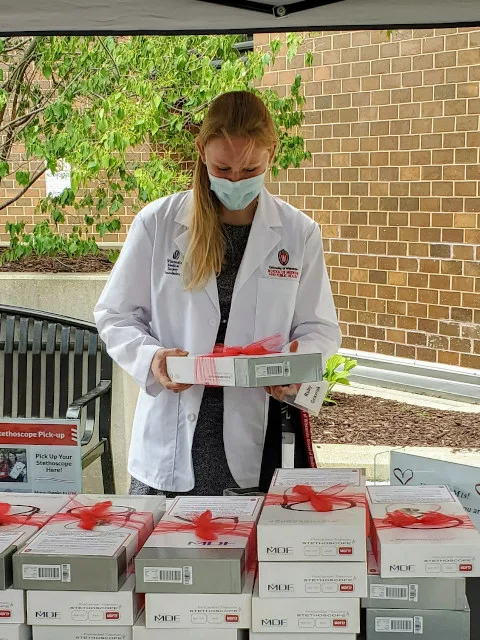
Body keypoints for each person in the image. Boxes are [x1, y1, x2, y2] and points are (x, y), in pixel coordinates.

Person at [94, 90, 341, 497]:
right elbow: (115, 315)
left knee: (241, 556)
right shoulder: (157, 224)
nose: (235, 181)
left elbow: (320, 328)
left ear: (271, 156)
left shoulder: (298, 234)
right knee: (165, 557)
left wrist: (292, 366)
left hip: (254, 439)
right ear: (201, 151)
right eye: (223, 168)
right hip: (171, 439)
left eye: (249, 170)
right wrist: (151, 358)